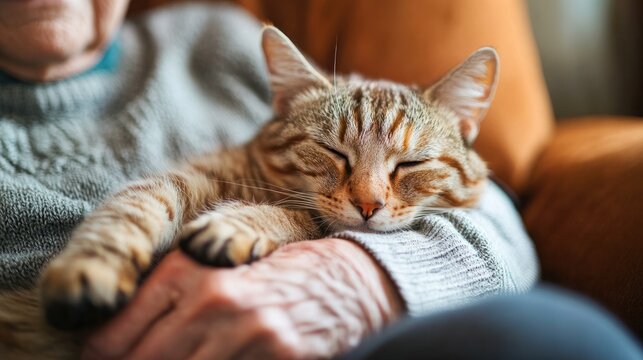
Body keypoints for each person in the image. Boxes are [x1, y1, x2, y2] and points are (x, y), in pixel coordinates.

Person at [0, 1, 639, 359]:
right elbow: (181, 191)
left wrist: (357, 276)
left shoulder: (217, 40)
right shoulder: (260, 155)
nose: (367, 197)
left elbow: (493, 212)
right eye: (334, 158)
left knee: (565, 341)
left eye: (406, 168)